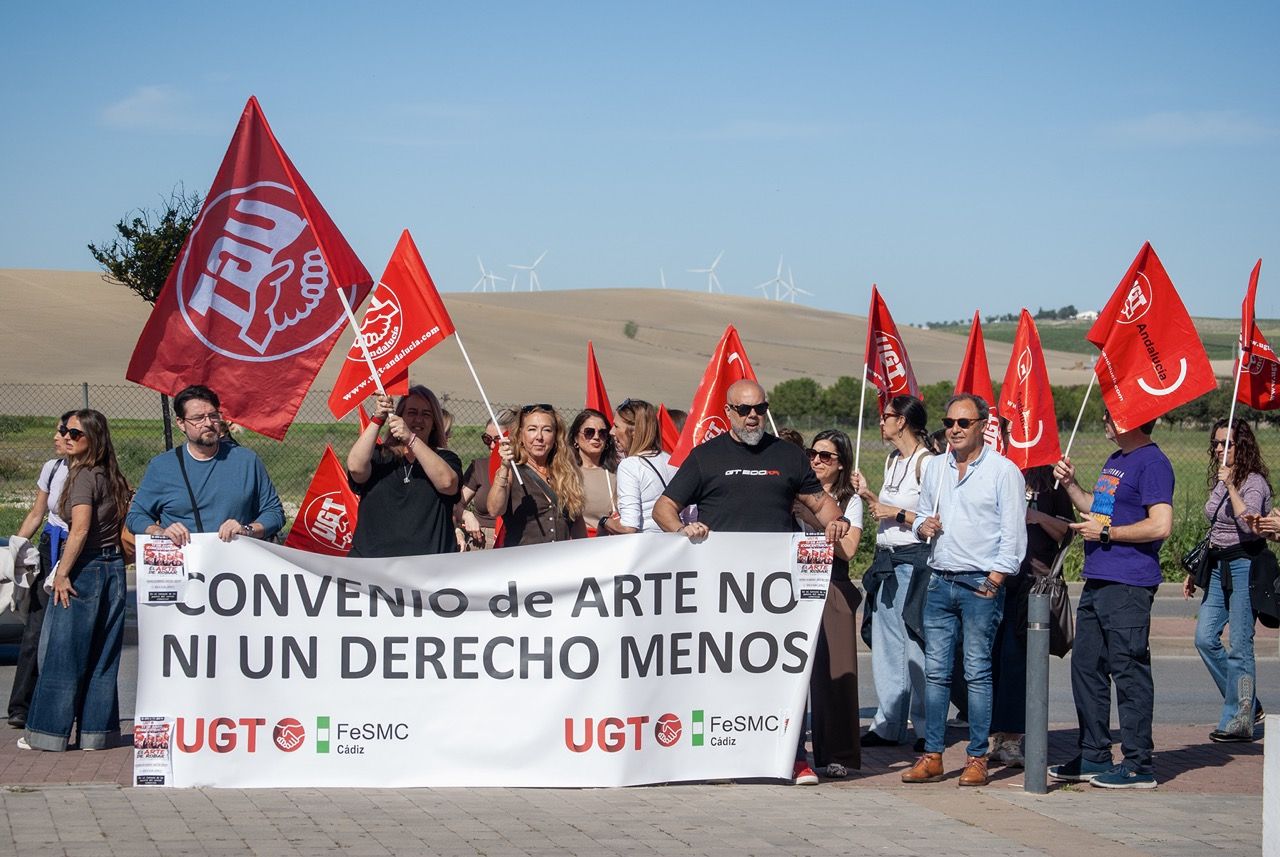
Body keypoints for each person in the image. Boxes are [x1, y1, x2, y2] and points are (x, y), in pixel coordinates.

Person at [653, 380, 852, 786]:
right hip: (720, 590)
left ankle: (794, 759)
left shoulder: (789, 456)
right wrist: (681, 531)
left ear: (766, 409)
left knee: (785, 673)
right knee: (718, 672)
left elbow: (821, 505)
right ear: (728, 412)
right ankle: (717, 757)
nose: (751, 417)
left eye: (758, 409)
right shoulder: (705, 457)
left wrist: (840, 521)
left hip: (777, 592)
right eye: (743, 410)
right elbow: (664, 508)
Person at [900, 394, 1026, 788]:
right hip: (940, 579)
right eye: (949, 421)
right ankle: (933, 755)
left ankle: (976, 758)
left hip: (979, 585)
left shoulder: (1004, 472)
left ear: (982, 426)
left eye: (963, 423)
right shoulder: (936, 468)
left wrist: (994, 581)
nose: (953, 429)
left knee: (977, 672)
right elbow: (922, 514)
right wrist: (923, 526)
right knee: (936, 673)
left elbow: (1013, 536)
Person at [1049, 409, 1172, 790]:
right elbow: (1096, 508)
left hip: (1129, 584)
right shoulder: (1116, 460)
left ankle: (1138, 764)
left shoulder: (1152, 462)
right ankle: (1094, 753)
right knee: (1086, 667)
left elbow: (1161, 525)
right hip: (1099, 579)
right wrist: (1071, 486)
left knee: (1128, 671)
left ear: (1135, 417)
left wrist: (1107, 535)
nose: (1105, 418)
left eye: (1112, 413)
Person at [21, 410, 131, 752]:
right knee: (103, 656)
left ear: (92, 440)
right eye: (63, 431)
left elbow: (80, 528)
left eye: (74, 434)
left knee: (62, 654)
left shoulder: (82, 476)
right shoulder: (113, 475)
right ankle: (96, 735)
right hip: (114, 570)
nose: (66, 437)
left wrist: (63, 572)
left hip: (85, 568)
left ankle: (46, 733)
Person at [851, 395, 935, 751]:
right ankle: (888, 722)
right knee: (886, 645)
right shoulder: (892, 460)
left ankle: (926, 726)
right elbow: (886, 509)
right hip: (887, 559)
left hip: (915, 561)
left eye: (886, 416)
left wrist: (895, 513)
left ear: (902, 421)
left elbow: (933, 522)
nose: (881, 422)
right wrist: (870, 496)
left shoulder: (926, 463)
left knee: (915, 643)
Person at [1184, 417, 1270, 742]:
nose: (1219, 449)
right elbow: (1214, 527)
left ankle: (1239, 720)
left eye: (1227, 443)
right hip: (1218, 565)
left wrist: (1232, 486)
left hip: (1244, 565)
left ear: (1242, 445)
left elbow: (1250, 525)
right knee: (1205, 639)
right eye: (1216, 444)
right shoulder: (1221, 478)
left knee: (1240, 645)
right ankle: (1248, 703)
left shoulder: (1254, 482)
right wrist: (1197, 572)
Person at [989, 463, 1074, 767]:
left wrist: (1035, 516)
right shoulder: (994, 466)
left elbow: (1066, 530)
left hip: (1032, 582)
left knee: (1015, 661)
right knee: (988, 659)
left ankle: (1012, 738)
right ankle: (994, 734)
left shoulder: (1050, 478)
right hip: (993, 576)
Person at [126, 386, 284, 545]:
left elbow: (275, 513)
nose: (208, 423)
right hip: (185, 563)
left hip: (237, 563)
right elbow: (136, 516)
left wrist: (247, 529)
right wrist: (161, 532)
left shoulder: (247, 461)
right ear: (181, 423)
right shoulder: (162, 467)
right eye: (198, 418)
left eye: (213, 416)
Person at [795, 429, 863, 778]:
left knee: (835, 672)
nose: (817, 461)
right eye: (812, 454)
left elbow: (848, 549)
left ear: (841, 465)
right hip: (793, 583)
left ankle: (838, 753)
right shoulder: (796, 494)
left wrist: (816, 519)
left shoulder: (850, 502)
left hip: (831, 585)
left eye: (827, 457)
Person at [7, 411, 74, 729]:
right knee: (35, 628)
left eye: (64, 431)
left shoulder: (99, 472)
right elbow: (37, 512)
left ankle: (68, 707)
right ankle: (21, 706)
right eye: (59, 431)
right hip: (51, 546)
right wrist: (16, 550)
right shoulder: (53, 468)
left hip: (80, 552)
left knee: (72, 632)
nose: (57, 437)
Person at [346, 386, 462, 557]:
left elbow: (447, 483)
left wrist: (411, 438)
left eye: (426, 414)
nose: (418, 420)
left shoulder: (446, 459)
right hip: (372, 564)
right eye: (412, 413)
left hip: (428, 569)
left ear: (434, 423)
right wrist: (378, 418)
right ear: (399, 417)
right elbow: (356, 468)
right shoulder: (380, 456)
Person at [488, 405, 586, 545]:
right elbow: (494, 509)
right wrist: (504, 467)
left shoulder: (567, 472)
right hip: (523, 561)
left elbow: (577, 523)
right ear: (521, 434)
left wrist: (584, 554)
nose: (539, 437)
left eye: (547, 430)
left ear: (556, 436)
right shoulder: (511, 470)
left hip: (560, 561)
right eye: (532, 429)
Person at [601, 399, 676, 535]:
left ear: (634, 432)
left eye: (616, 426)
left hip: (645, 546)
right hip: (673, 545)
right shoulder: (671, 461)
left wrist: (604, 521)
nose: (611, 432)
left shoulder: (630, 465)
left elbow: (628, 527)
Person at [458, 409, 517, 550]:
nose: (491, 445)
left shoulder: (529, 469)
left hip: (516, 543)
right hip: (482, 542)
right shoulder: (479, 467)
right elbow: (456, 505)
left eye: (497, 440)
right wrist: (466, 515)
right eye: (487, 439)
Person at [569, 409, 618, 536]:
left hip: (609, 545)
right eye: (589, 432)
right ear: (575, 438)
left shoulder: (617, 473)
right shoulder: (565, 473)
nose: (596, 437)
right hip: (577, 544)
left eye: (602, 433)